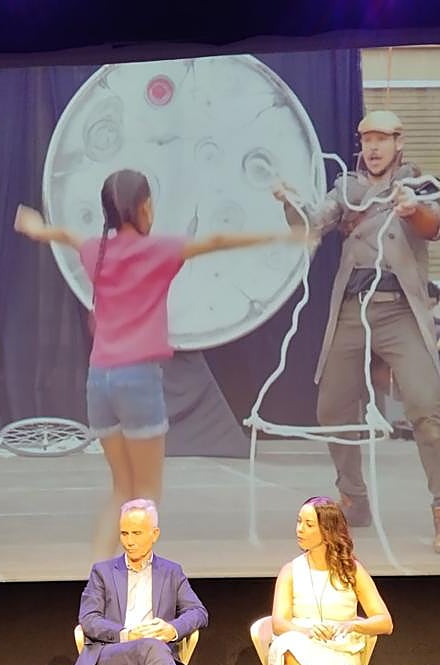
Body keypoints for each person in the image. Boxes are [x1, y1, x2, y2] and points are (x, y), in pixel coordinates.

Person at [16, 171, 305, 559]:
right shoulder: (159, 250)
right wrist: (285, 236)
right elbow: (218, 241)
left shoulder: (94, 251)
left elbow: (63, 234)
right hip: (138, 380)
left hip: (99, 382)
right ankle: (135, 589)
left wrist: (34, 227)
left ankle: (97, 583)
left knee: (121, 490)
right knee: (146, 496)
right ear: (144, 208)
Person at [275, 109, 440, 554]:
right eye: (367, 139)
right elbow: (312, 224)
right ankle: (354, 500)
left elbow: (433, 225)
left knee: (426, 407)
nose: (373, 148)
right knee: (333, 407)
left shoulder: (419, 182)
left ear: (399, 141)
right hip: (352, 309)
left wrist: (411, 209)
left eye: (382, 139)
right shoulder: (347, 188)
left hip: (399, 311)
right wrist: (289, 202)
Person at [72, 498, 209, 665]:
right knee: (150, 647)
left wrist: (171, 629)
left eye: (136, 533)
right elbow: (89, 619)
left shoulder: (171, 572)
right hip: (110, 660)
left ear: (154, 534)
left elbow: (198, 612)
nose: (129, 541)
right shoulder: (102, 572)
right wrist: (127, 635)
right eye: (124, 533)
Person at [255, 496, 393, 665]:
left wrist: (352, 625)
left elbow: (385, 622)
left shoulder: (352, 571)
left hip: (340, 655)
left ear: (327, 531)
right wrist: (307, 631)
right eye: (299, 521)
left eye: (309, 524)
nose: (300, 529)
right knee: (291, 647)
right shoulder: (291, 571)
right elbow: (279, 624)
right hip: (301, 645)